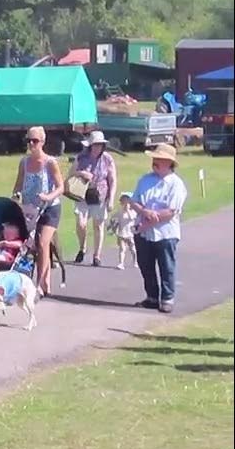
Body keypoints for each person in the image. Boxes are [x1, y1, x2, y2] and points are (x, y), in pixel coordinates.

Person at [128, 144, 188, 313]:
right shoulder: (145, 180)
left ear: (169, 163)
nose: (155, 162)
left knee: (166, 266)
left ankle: (167, 298)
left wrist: (149, 220)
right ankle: (152, 297)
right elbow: (134, 201)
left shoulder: (176, 184)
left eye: (159, 159)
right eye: (154, 159)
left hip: (165, 232)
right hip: (144, 232)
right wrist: (144, 211)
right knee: (145, 265)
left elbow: (171, 211)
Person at [12, 126, 65, 296]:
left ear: (42, 142)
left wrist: (49, 197)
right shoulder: (24, 162)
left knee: (42, 242)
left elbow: (60, 187)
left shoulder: (50, 163)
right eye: (28, 141)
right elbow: (19, 184)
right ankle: (45, 281)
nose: (31, 144)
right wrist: (16, 197)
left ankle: (40, 285)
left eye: (34, 141)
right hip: (30, 209)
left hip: (50, 208)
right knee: (33, 244)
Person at [71, 130, 117, 266]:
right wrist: (82, 173)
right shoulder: (81, 157)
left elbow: (112, 180)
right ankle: (82, 247)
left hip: (100, 195)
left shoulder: (107, 159)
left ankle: (97, 256)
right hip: (83, 194)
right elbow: (71, 173)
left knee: (98, 225)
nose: (97, 147)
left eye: (100, 145)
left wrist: (111, 199)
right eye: (95, 145)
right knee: (81, 223)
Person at [107, 191, 139, 270]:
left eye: (127, 201)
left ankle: (135, 261)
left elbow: (132, 218)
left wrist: (128, 210)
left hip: (131, 234)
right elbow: (113, 217)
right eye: (124, 201)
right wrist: (111, 226)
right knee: (122, 249)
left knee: (133, 249)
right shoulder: (120, 212)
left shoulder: (133, 212)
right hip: (122, 233)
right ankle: (121, 263)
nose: (125, 204)